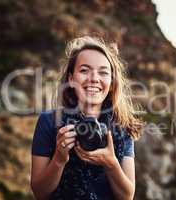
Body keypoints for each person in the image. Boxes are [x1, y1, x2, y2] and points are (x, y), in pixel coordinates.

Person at [30, 35, 144, 200]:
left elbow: (127, 196)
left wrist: (111, 163)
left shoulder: (122, 126)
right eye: (84, 70)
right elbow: (39, 193)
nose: (94, 79)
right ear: (71, 78)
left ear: (112, 83)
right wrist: (59, 159)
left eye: (103, 73)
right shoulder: (49, 121)